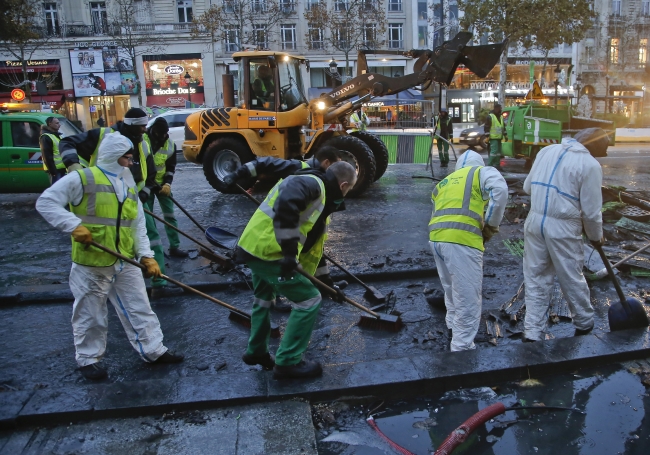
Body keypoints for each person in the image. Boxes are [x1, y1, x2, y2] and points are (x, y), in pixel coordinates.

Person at [35, 133, 184, 380]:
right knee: (90, 312)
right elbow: (46, 202)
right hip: (92, 261)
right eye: (128, 157)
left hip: (125, 259)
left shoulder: (128, 186)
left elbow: (136, 225)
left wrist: (146, 256)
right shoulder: (82, 178)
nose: (131, 162)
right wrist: (72, 225)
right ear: (116, 157)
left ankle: (154, 350)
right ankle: (88, 360)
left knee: (139, 307)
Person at [236, 161, 357, 379]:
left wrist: (327, 286)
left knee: (263, 299)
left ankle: (256, 352)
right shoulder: (312, 184)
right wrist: (289, 253)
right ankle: (288, 362)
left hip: (255, 247)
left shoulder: (319, 197)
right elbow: (286, 205)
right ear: (344, 185)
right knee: (309, 301)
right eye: (348, 190)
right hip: (272, 253)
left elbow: (313, 252)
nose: (346, 195)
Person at [522, 128, 608, 342]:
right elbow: (591, 212)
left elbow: (527, 187)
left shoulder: (547, 151)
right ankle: (585, 325)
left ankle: (532, 331)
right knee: (571, 277)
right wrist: (596, 236)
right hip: (563, 227)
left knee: (536, 278)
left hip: (534, 222)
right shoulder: (590, 165)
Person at [224, 146, 342, 293]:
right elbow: (265, 163)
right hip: (274, 234)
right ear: (326, 163)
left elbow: (315, 248)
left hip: (285, 231)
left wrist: (326, 283)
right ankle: (279, 293)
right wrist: (237, 174)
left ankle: (321, 284)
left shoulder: (322, 184)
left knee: (309, 247)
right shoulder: (301, 169)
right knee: (274, 265)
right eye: (336, 166)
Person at [429, 149, 508, 351]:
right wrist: (490, 225)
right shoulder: (479, 173)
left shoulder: (444, 182)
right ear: (477, 163)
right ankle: (462, 348)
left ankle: (452, 326)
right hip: (462, 240)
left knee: (450, 288)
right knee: (468, 296)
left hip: (437, 239)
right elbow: (499, 190)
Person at [59, 108, 156, 203]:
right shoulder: (103, 135)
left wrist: (144, 194)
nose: (145, 130)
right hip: (103, 195)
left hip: (134, 197)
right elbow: (67, 142)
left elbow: (151, 172)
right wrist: (73, 164)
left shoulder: (144, 145)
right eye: (142, 126)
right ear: (131, 125)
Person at [143, 117, 189, 299]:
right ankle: (146, 254)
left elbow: (170, 167)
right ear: (152, 131)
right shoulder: (143, 141)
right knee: (149, 220)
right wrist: (149, 184)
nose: (161, 137)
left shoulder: (169, 144)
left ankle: (174, 246)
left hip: (161, 186)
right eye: (158, 134)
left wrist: (167, 184)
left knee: (170, 214)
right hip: (145, 186)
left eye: (164, 134)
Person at [40, 117, 66, 185]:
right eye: (57, 123)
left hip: (62, 168)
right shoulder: (46, 137)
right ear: (50, 124)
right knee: (57, 190)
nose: (59, 125)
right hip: (55, 170)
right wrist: (53, 172)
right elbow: (47, 156)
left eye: (59, 123)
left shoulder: (58, 135)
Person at [483, 103, 508, 170]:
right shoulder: (490, 116)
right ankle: (489, 165)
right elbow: (486, 127)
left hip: (499, 137)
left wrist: (505, 135)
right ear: (496, 108)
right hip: (493, 137)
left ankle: (497, 165)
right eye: (499, 108)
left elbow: (503, 127)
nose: (500, 110)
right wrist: (487, 136)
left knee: (498, 152)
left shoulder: (501, 117)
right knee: (494, 152)